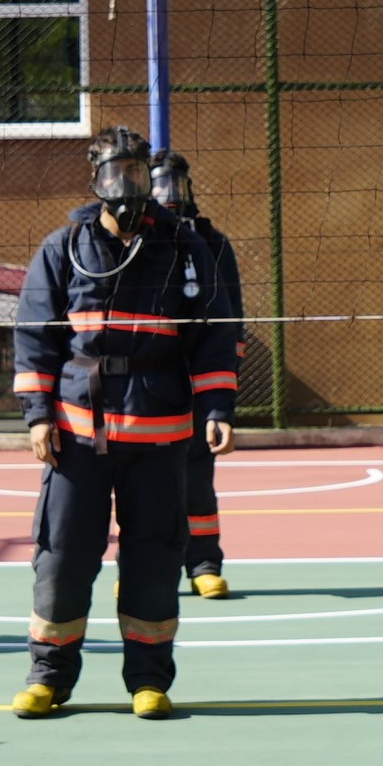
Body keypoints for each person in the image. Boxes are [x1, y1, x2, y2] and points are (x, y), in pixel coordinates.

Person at [10, 127, 240, 717]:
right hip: (77, 436)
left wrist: (216, 408)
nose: (128, 187)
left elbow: (214, 336)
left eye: (137, 174)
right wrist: (38, 417)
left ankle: (149, 680)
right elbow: (35, 336)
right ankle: (50, 678)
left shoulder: (187, 249)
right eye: (116, 174)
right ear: (96, 180)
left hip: (160, 433)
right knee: (62, 555)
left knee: (155, 556)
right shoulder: (63, 247)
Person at [150, 147, 244, 596]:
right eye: (159, 184)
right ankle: (144, 567)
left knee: (196, 477)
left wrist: (220, 400)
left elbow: (229, 320)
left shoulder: (212, 243)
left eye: (176, 184)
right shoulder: (130, 242)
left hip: (194, 380)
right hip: (142, 383)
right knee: (140, 483)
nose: (169, 194)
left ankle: (203, 561)